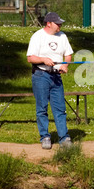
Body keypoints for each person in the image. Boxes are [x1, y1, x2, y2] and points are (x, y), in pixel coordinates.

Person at [27, 12, 74, 149]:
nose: (60, 25)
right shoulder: (37, 36)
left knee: (60, 108)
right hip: (41, 75)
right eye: (57, 23)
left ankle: (64, 138)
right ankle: (45, 137)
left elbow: (68, 54)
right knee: (42, 108)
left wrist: (65, 65)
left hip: (56, 76)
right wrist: (44, 60)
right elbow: (30, 58)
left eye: (60, 23)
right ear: (49, 23)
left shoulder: (62, 36)